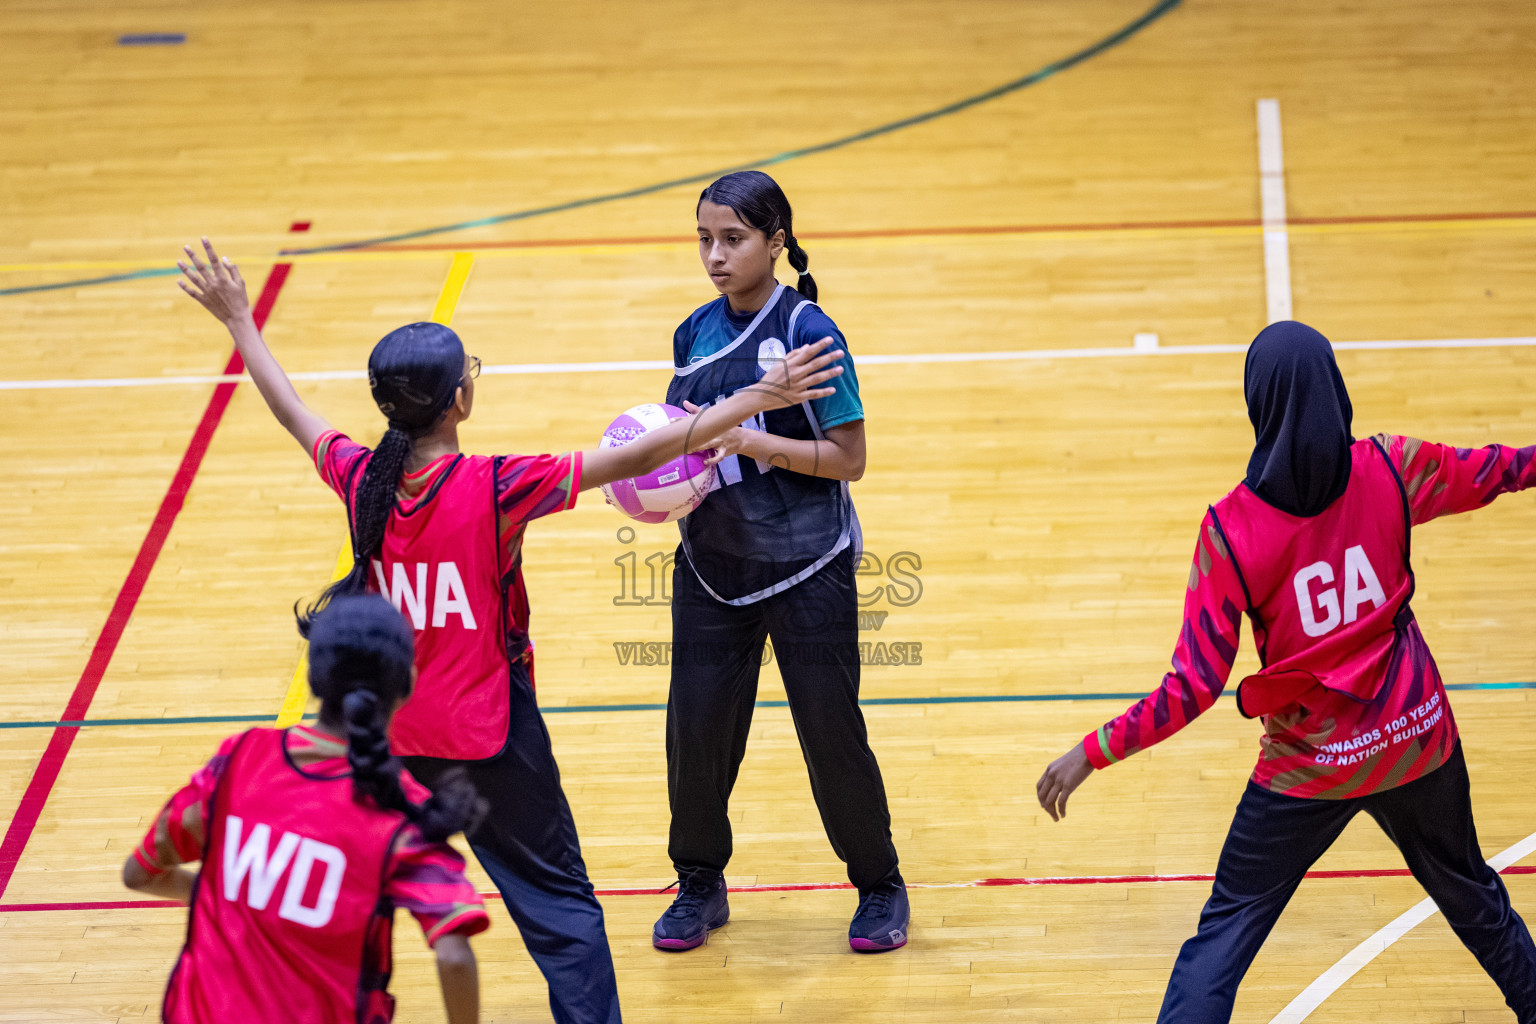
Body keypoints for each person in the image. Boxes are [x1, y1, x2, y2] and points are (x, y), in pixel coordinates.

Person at [175, 237, 844, 1023]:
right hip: (488, 738)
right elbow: (642, 455)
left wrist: (240, 322)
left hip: (383, 737)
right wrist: (755, 398)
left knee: (359, 896)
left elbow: (294, 410)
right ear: (461, 400)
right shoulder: (494, 486)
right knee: (563, 912)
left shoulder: (360, 477)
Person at [1035, 321, 1536, 1022]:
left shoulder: (1230, 531)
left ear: (1256, 404)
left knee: (1225, 933)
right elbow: (1498, 471)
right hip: (1418, 740)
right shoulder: (1392, 467)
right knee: (1475, 900)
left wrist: (1091, 752)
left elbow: (1193, 688)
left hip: (1311, 766)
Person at [653, 171, 907, 954]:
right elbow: (685, 434)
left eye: (732, 239)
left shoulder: (810, 333)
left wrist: (758, 439)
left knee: (830, 732)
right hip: (710, 563)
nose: (715, 256)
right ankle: (699, 880)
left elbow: (850, 459)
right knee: (694, 731)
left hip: (805, 568)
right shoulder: (693, 331)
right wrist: (660, 484)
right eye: (705, 239)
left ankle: (878, 884)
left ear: (776, 242)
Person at [123, 594, 488, 1024]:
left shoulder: (239, 761)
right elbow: (454, 956)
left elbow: (139, 872)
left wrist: (240, 892)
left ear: (315, 680)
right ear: (407, 682)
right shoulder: (401, 814)